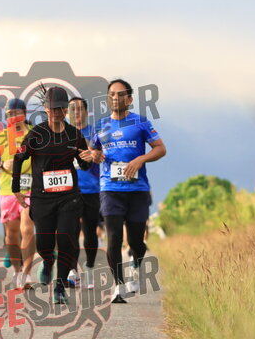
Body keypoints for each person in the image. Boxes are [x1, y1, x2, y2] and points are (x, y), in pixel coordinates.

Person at [11, 86, 93, 305]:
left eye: (61, 108)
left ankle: (60, 286)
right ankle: (48, 261)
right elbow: (19, 158)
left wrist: (88, 158)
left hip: (69, 196)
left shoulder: (74, 134)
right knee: (44, 244)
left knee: (66, 238)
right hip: (42, 197)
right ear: (45, 109)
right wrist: (16, 189)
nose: (57, 112)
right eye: (53, 108)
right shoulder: (36, 134)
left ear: (66, 109)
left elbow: (84, 164)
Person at [89, 79, 166, 304]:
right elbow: (92, 151)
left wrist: (141, 159)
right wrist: (94, 155)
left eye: (121, 94)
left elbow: (161, 148)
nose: (115, 98)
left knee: (136, 241)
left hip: (137, 189)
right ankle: (119, 286)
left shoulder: (140, 122)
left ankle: (135, 265)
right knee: (113, 238)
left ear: (130, 99)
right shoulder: (100, 125)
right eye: (112, 94)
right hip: (110, 188)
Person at [0, 98, 37, 290]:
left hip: (30, 187)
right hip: (8, 189)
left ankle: (27, 274)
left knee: (27, 230)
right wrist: (0, 164)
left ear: (24, 114)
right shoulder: (1, 136)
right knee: (12, 235)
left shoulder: (35, 134)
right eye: (9, 114)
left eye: (16, 113)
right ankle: (17, 271)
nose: (13, 117)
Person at [67, 96, 101, 289]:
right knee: (70, 231)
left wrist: (94, 153)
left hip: (91, 188)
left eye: (80, 108)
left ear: (86, 112)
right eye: (72, 109)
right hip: (68, 190)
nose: (76, 112)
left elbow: (103, 156)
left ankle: (89, 268)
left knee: (89, 232)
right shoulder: (62, 133)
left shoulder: (95, 133)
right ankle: (72, 271)